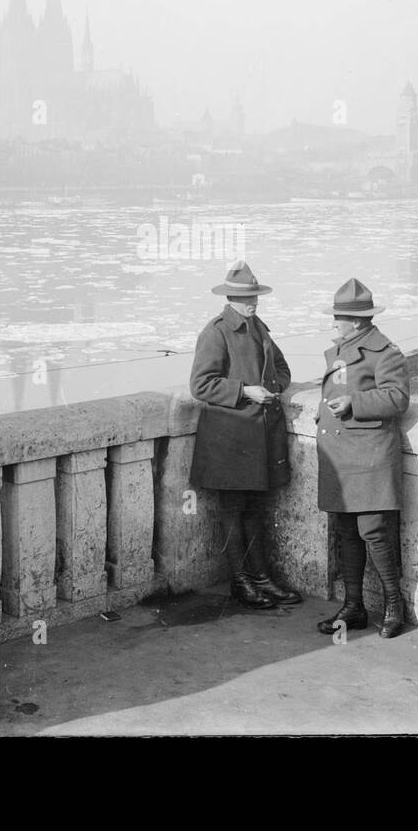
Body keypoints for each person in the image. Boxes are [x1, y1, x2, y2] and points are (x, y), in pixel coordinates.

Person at [188, 260, 302, 609]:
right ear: (230, 297)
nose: (252, 301)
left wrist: (272, 389)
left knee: (254, 509)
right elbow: (200, 385)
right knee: (234, 510)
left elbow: (282, 369)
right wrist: (244, 392)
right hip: (230, 440)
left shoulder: (258, 327)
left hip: (258, 437)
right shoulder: (216, 332)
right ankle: (241, 583)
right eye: (244, 296)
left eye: (254, 294)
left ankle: (262, 579)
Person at [314, 278, 411, 638]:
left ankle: (393, 606)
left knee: (373, 531)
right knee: (344, 530)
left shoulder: (386, 352)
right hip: (342, 453)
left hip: (368, 455)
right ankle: (354, 606)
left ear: (356, 322)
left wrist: (354, 402)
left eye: (338, 317)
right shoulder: (344, 347)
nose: (333, 323)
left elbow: (397, 398)